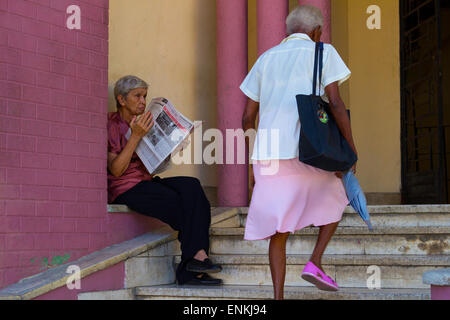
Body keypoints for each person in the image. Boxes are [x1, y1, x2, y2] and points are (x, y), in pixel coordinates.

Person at [241, 5, 358, 300]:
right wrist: (350, 149)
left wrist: (252, 161)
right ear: (317, 31)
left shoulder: (265, 59)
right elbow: (335, 102)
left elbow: (246, 118)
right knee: (338, 196)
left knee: (279, 230)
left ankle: (278, 297)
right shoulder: (323, 52)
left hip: (269, 154)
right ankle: (315, 260)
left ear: (288, 31)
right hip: (310, 149)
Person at [107, 75, 222, 286]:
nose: (143, 101)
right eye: (137, 96)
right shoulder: (111, 124)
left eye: (145, 96)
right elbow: (116, 170)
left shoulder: (147, 121)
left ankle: (195, 261)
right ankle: (194, 263)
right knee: (183, 204)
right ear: (121, 100)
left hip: (146, 180)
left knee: (192, 187)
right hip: (126, 187)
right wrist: (135, 136)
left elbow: (154, 163)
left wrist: (173, 144)